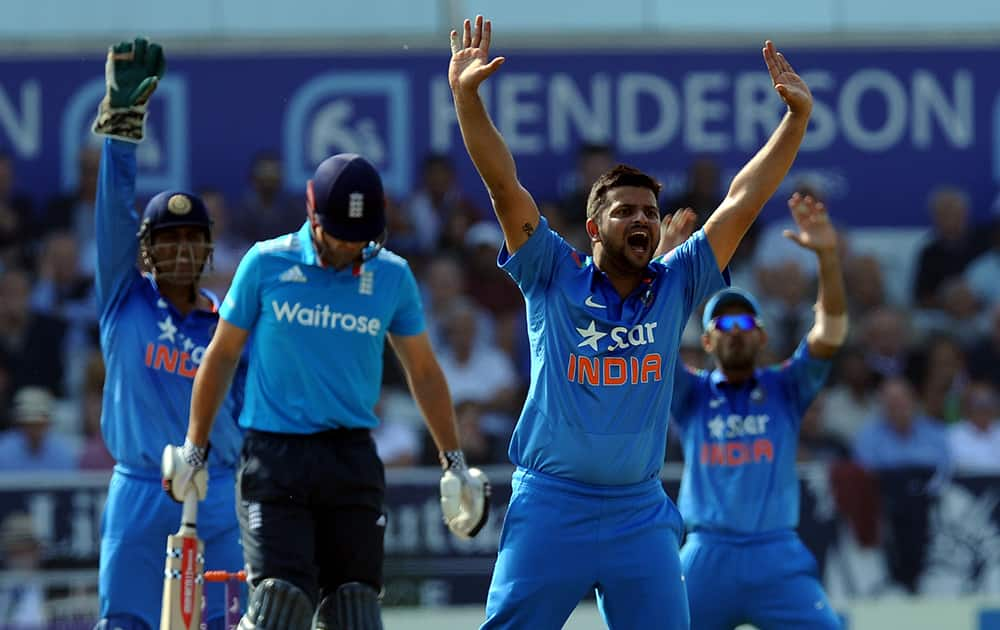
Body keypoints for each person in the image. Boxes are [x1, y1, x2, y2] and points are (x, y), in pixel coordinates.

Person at [449, 15, 814, 629]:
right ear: (594, 228)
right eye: (625, 211)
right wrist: (466, 99)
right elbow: (503, 185)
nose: (643, 219)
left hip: (638, 514)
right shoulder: (550, 270)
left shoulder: (678, 282)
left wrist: (795, 122)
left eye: (650, 210)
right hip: (550, 506)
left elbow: (743, 199)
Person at [162, 151, 489, 629]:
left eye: (361, 240)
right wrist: (195, 447)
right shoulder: (266, 263)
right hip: (276, 458)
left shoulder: (391, 275)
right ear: (313, 216)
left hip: (351, 456)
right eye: (340, 237)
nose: (349, 249)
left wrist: (454, 462)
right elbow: (222, 355)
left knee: (355, 610)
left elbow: (422, 370)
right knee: (282, 603)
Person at [90, 38, 246, 630]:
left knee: (225, 624)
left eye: (192, 238)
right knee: (126, 623)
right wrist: (123, 132)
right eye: (166, 239)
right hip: (138, 493)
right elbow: (113, 213)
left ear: (208, 248)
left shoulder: (233, 326)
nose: (180, 249)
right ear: (146, 252)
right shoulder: (123, 300)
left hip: (216, 495)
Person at [669, 194, 847, 630]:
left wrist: (827, 258)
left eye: (745, 323)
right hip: (706, 555)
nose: (735, 332)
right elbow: (648, 339)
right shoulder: (689, 393)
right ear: (707, 342)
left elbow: (831, 331)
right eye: (723, 325)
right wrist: (663, 264)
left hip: (777, 556)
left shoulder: (786, 386)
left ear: (762, 337)